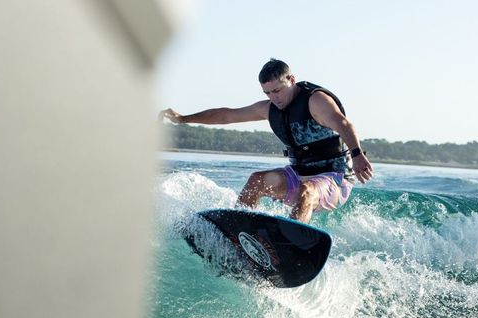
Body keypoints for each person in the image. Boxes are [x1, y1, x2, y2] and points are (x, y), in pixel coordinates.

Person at [160, 58, 373, 223]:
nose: (274, 97)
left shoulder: (315, 101)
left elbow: (344, 124)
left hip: (334, 178)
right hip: (297, 176)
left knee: (307, 190)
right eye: (268, 92)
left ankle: (292, 244)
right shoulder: (269, 108)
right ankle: (239, 231)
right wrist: (183, 119)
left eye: (277, 90)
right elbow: (226, 115)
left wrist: (357, 154)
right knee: (256, 181)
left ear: (291, 79)